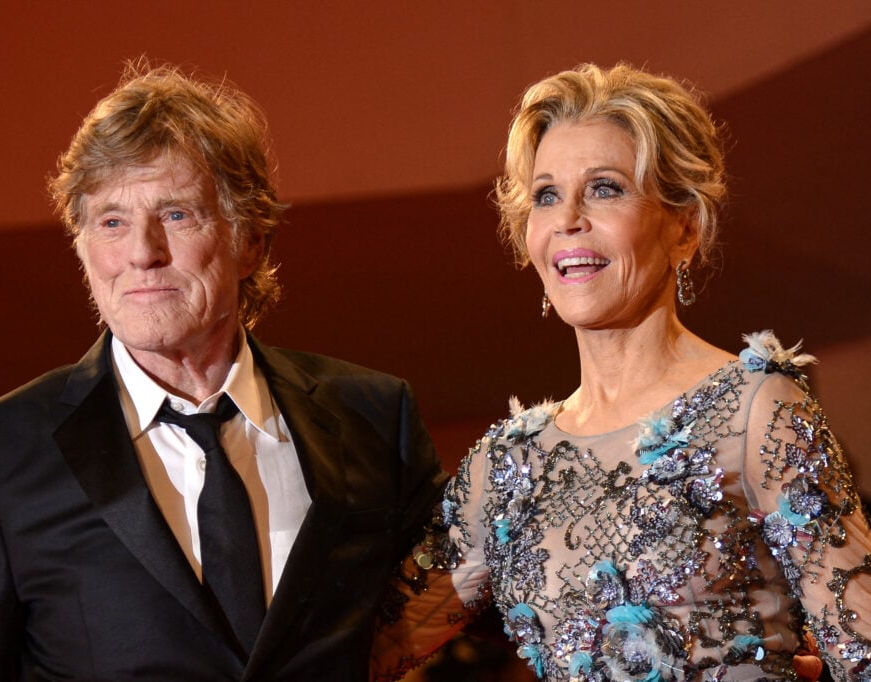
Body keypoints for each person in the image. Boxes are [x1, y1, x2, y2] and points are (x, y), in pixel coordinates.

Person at [0, 63, 447, 681]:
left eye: (176, 215)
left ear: (249, 240)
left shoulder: (374, 418)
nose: (142, 253)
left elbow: (445, 633)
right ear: (83, 247)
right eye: (111, 222)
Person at [373, 63, 871, 681]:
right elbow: (364, 647)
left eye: (605, 188)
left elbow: (863, 649)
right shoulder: (506, 468)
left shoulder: (756, 410)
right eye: (547, 195)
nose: (568, 219)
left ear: (684, 227)